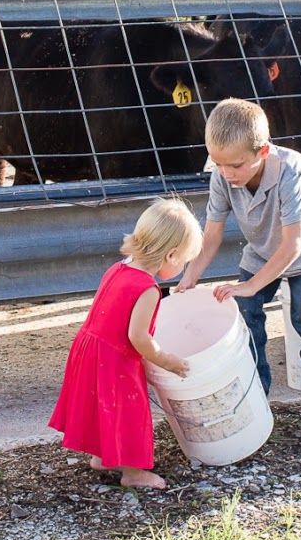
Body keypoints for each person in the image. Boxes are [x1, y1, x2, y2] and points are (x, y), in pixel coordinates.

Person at [176, 98, 301, 443]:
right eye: (218, 163)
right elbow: (211, 234)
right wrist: (190, 275)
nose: (227, 173)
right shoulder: (224, 174)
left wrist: (253, 284)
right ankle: (255, 400)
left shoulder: (291, 172)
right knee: (243, 314)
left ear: (263, 151)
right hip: (262, 247)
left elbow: (293, 245)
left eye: (236, 165)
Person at [48, 197, 200, 488]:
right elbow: (138, 337)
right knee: (130, 415)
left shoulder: (120, 267)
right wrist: (167, 361)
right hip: (115, 359)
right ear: (170, 256)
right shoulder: (148, 289)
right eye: (183, 261)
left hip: (90, 349)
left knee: (101, 405)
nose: (182, 266)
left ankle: (103, 456)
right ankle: (133, 474)